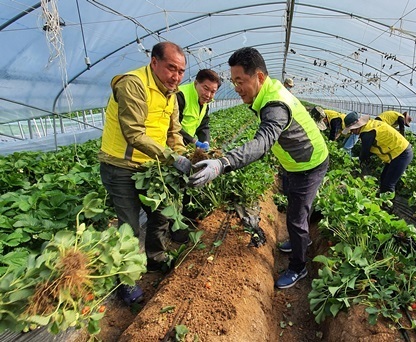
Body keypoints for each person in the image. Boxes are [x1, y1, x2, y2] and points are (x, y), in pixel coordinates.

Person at [189, 47, 329, 289]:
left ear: (259, 77)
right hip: (296, 162)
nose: (236, 87)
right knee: (295, 206)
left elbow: (262, 143)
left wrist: (223, 163)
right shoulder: (267, 93)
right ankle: (301, 241)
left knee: (295, 217)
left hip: (309, 164)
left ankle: (298, 267)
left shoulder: (275, 104)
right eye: (233, 82)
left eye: (240, 80)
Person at [99, 41, 192, 305]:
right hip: (121, 167)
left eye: (181, 71)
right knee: (128, 225)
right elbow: (134, 133)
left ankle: (156, 259)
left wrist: (182, 154)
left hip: (151, 166)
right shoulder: (133, 84)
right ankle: (125, 282)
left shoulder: (170, 93)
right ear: (154, 62)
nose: (176, 76)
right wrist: (172, 158)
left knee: (161, 214)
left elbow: (174, 132)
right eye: (171, 68)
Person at [342, 112, 413, 194]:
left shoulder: (367, 133)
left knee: (388, 184)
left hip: (402, 153)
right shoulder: (369, 125)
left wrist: (359, 165)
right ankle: (383, 200)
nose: (351, 132)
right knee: (383, 178)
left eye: (352, 129)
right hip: (397, 152)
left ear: (357, 126)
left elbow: (365, 153)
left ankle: (387, 205)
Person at [177, 69, 222, 150]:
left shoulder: (205, 102)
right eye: (206, 88)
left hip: (184, 147)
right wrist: (194, 141)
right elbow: (173, 127)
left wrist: (205, 141)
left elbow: (203, 125)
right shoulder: (180, 95)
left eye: (212, 92)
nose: (208, 95)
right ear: (196, 83)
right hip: (168, 150)